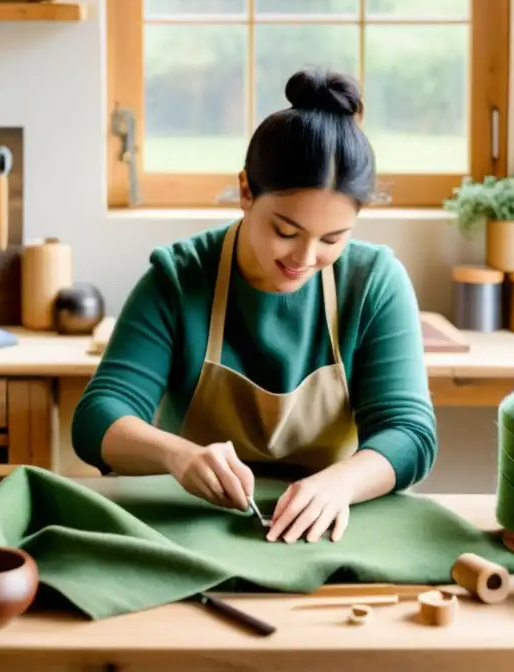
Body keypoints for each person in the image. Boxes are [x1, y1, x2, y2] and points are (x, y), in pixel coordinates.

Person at [72, 67, 437, 545]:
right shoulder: (179, 279)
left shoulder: (375, 283)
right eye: (285, 231)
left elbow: (410, 432)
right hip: (192, 526)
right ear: (246, 191)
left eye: (332, 238)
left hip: (328, 529)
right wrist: (176, 456)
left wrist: (341, 483)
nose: (304, 259)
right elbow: (98, 416)